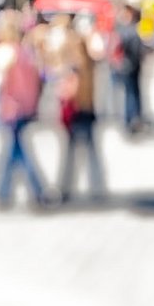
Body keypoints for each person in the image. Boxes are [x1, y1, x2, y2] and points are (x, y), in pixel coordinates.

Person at [0, 14, 52, 208]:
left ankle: (32, 190)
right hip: (26, 106)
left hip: (10, 106)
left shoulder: (4, 52)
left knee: (15, 150)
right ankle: (5, 191)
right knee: (15, 149)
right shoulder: (25, 52)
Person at [57, 15, 107, 203]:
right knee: (85, 149)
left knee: (76, 150)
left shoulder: (80, 61)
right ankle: (92, 186)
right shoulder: (83, 59)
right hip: (84, 107)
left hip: (79, 108)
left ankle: (70, 187)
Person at [115, 5, 147, 136]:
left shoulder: (125, 30)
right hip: (132, 65)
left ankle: (132, 118)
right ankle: (133, 118)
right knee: (133, 93)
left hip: (128, 65)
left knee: (131, 93)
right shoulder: (131, 30)